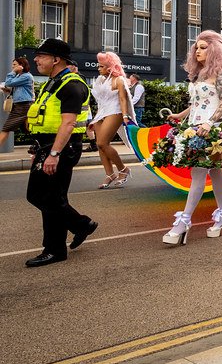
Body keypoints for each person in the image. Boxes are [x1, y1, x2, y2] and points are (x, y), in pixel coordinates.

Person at [161, 30, 222, 245]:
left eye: (203, 47)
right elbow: (197, 102)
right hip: (195, 126)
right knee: (215, 172)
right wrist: (181, 115)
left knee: (199, 172)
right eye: (196, 47)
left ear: (214, 49)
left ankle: (184, 221)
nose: (198, 50)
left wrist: (209, 123)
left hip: (214, 127)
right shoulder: (199, 74)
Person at [24, 39, 98, 267]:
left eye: (41, 55)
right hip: (49, 145)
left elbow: (68, 123)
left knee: (44, 197)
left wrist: (54, 154)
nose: (35, 60)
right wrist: (40, 149)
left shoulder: (71, 84)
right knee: (48, 197)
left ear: (56, 59)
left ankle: (57, 247)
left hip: (63, 147)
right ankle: (79, 226)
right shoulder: (53, 83)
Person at [91, 52, 134, 189]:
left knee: (102, 143)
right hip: (101, 113)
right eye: (98, 66)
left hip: (114, 111)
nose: (98, 68)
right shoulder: (100, 80)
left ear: (110, 67)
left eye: (101, 66)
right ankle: (109, 174)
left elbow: (123, 99)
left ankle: (123, 170)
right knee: (100, 146)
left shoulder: (119, 80)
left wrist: (125, 115)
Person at [1, 56, 35, 152]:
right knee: (27, 128)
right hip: (20, 105)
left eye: (15, 65)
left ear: (21, 65)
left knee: (6, 128)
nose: (13, 67)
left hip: (23, 105)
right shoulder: (19, 76)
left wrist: (13, 72)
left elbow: (8, 82)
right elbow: (14, 88)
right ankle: (40, 144)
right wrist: (7, 90)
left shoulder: (26, 76)